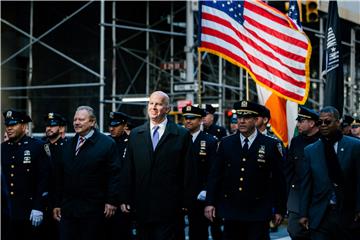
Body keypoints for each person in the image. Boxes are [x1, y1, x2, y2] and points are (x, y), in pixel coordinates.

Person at [119, 91, 197, 240]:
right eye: (151, 103)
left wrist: (186, 202)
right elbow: (128, 169)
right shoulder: (136, 134)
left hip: (170, 207)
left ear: (167, 109)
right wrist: (124, 198)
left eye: (159, 104)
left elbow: (188, 171)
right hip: (142, 206)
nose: (153, 107)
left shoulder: (181, 135)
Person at [204, 100, 287, 240]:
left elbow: (279, 180)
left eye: (246, 118)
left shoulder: (271, 144)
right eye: (240, 117)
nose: (241, 121)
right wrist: (210, 202)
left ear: (255, 120)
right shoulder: (226, 143)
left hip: (258, 209)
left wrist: (279, 209)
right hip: (231, 209)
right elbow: (215, 176)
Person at [53, 106, 122, 240]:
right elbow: (60, 176)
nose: (77, 122)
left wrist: (111, 201)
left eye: (81, 119)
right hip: (69, 210)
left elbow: (115, 174)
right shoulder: (68, 144)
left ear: (92, 122)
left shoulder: (106, 144)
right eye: (75, 119)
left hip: (94, 210)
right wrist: (57, 203)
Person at [299, 106, 360, 240]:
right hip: (320, 214)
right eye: (320, 122)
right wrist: (303, 213)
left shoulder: (355, 146)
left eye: (328, 122)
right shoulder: (311, 150)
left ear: (338, 122)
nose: (323, 125)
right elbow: (306, 184)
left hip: (346, 213)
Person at [1, 109, 50, 240]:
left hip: (30, 211)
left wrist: (39, 207)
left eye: (13, 125)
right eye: (7, 125)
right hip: (7, 212)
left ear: (23, 126)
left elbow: (44, 179)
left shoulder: (38, 146)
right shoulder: (3, 148)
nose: (9, 128)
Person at [182, 105, 221, 240]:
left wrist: (206, 191)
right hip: (180, 193)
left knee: (198, 232)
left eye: (192, 118)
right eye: (186, 118)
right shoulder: (179, 139)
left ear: (200, 120)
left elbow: (214, 171)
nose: (188, 121)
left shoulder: (210, 141)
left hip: (199, 195)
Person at [284, 106, 320, 240]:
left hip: (317, 194)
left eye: (301, 121)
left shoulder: (323, 141)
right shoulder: (296, 141)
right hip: (297, 193)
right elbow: (288, 170)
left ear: (311, 123)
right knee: (294, 230)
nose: (298, 124)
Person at [106, 111, 133, 240]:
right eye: (110, 125)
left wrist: (124, 199)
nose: (111, 128)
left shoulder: (130, 143)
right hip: (105, 197)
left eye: (115, 126)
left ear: (124, 125)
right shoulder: (104, 142)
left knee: (121, 232)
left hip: (122, 198)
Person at [42, 112, 68, 240]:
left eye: (53, 125)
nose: (49, 128)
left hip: (61, 202)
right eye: (47, 125)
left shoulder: (68, 147)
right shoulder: (40, 146)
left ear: (61, 128)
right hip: (43, 202)